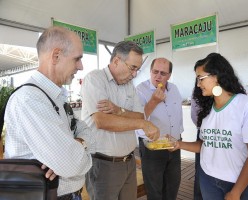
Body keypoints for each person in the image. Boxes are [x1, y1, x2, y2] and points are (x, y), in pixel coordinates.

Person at [4, 26, 95, 199]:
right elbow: (71, 164)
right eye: (77, 59)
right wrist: (69, 155)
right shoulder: (30, 100)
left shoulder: (55, 96)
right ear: (56, 56)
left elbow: (86, 131)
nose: (81, 66)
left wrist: (77, 144)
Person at [172, 53, 248, 200]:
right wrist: (178, 144)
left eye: (200, 78)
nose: (198, 84)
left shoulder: (246, 106)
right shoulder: (207, 108)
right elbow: (205, 145)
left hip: (244, 186)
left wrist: (236, 192)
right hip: (209, 181)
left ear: (216, 76)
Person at [80, 41, 160, 200]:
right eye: (133, 68)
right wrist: (141, 124)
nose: (135, 74)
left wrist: (118, 110)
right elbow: (102, 121)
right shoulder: (95, 79)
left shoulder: (128, 84)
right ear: (116, 61)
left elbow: (139, 115)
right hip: (103, 164)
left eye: (137, 69)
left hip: (128, 162)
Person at [135, 58, 184, 200]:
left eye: (163, 73)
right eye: (155, 72)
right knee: (154, 189)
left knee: (173, 185)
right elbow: (138, 119)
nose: (158, 76)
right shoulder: (140, 90)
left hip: (174, 145)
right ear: (150, 71)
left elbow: (178, 115)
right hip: (152, 148)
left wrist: (179, 136)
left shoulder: (174, 88)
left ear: (169, 75)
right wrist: (153, 101)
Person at [191, 83, 203, 200]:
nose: (199, 83)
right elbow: (195, 117)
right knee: (200, 171)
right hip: (202, 134)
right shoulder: (197, 93)